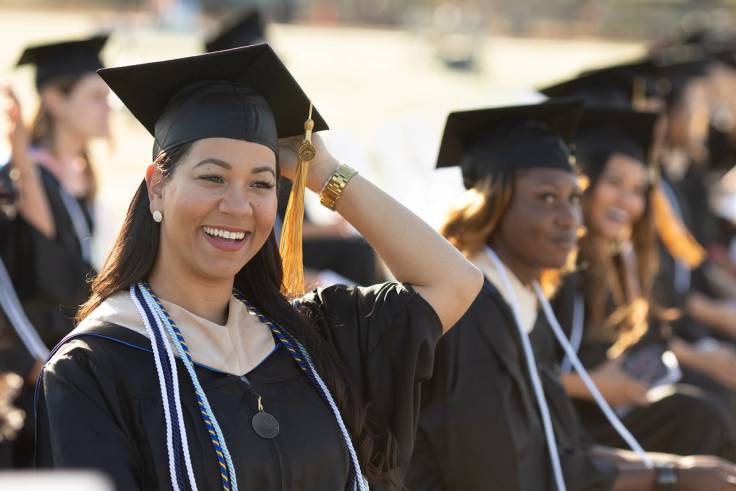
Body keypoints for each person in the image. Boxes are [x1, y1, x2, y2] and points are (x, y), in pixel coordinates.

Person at [35, 44, 483, 490]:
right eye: (212, 177)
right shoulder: (94, 367)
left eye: (261, 183)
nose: (237, 206)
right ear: (156, 188)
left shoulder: (311, 338)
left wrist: (323, 171)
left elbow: (454, 281)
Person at [406, 99, 736, 491]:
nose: (569, 218)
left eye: (572, 199)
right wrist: (670, 475)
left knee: (698, 421)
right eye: (547, 198)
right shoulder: (473, 313)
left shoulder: (531, 295)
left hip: (567, 449)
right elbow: (514, 471)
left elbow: (565, 448)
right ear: (494, 204)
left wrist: (680, 470)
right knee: (696, 419)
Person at [553, 106, 736, 459]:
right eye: (614, 183)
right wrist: (599, 386)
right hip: (572, 417)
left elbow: (648, 334)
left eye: (638, 190)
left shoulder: (621, 257)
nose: (627, 201)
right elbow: (527, 367)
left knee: (706, 407)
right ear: (583, 181)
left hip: (617, 399)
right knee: (701, 415)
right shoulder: (559, 264)